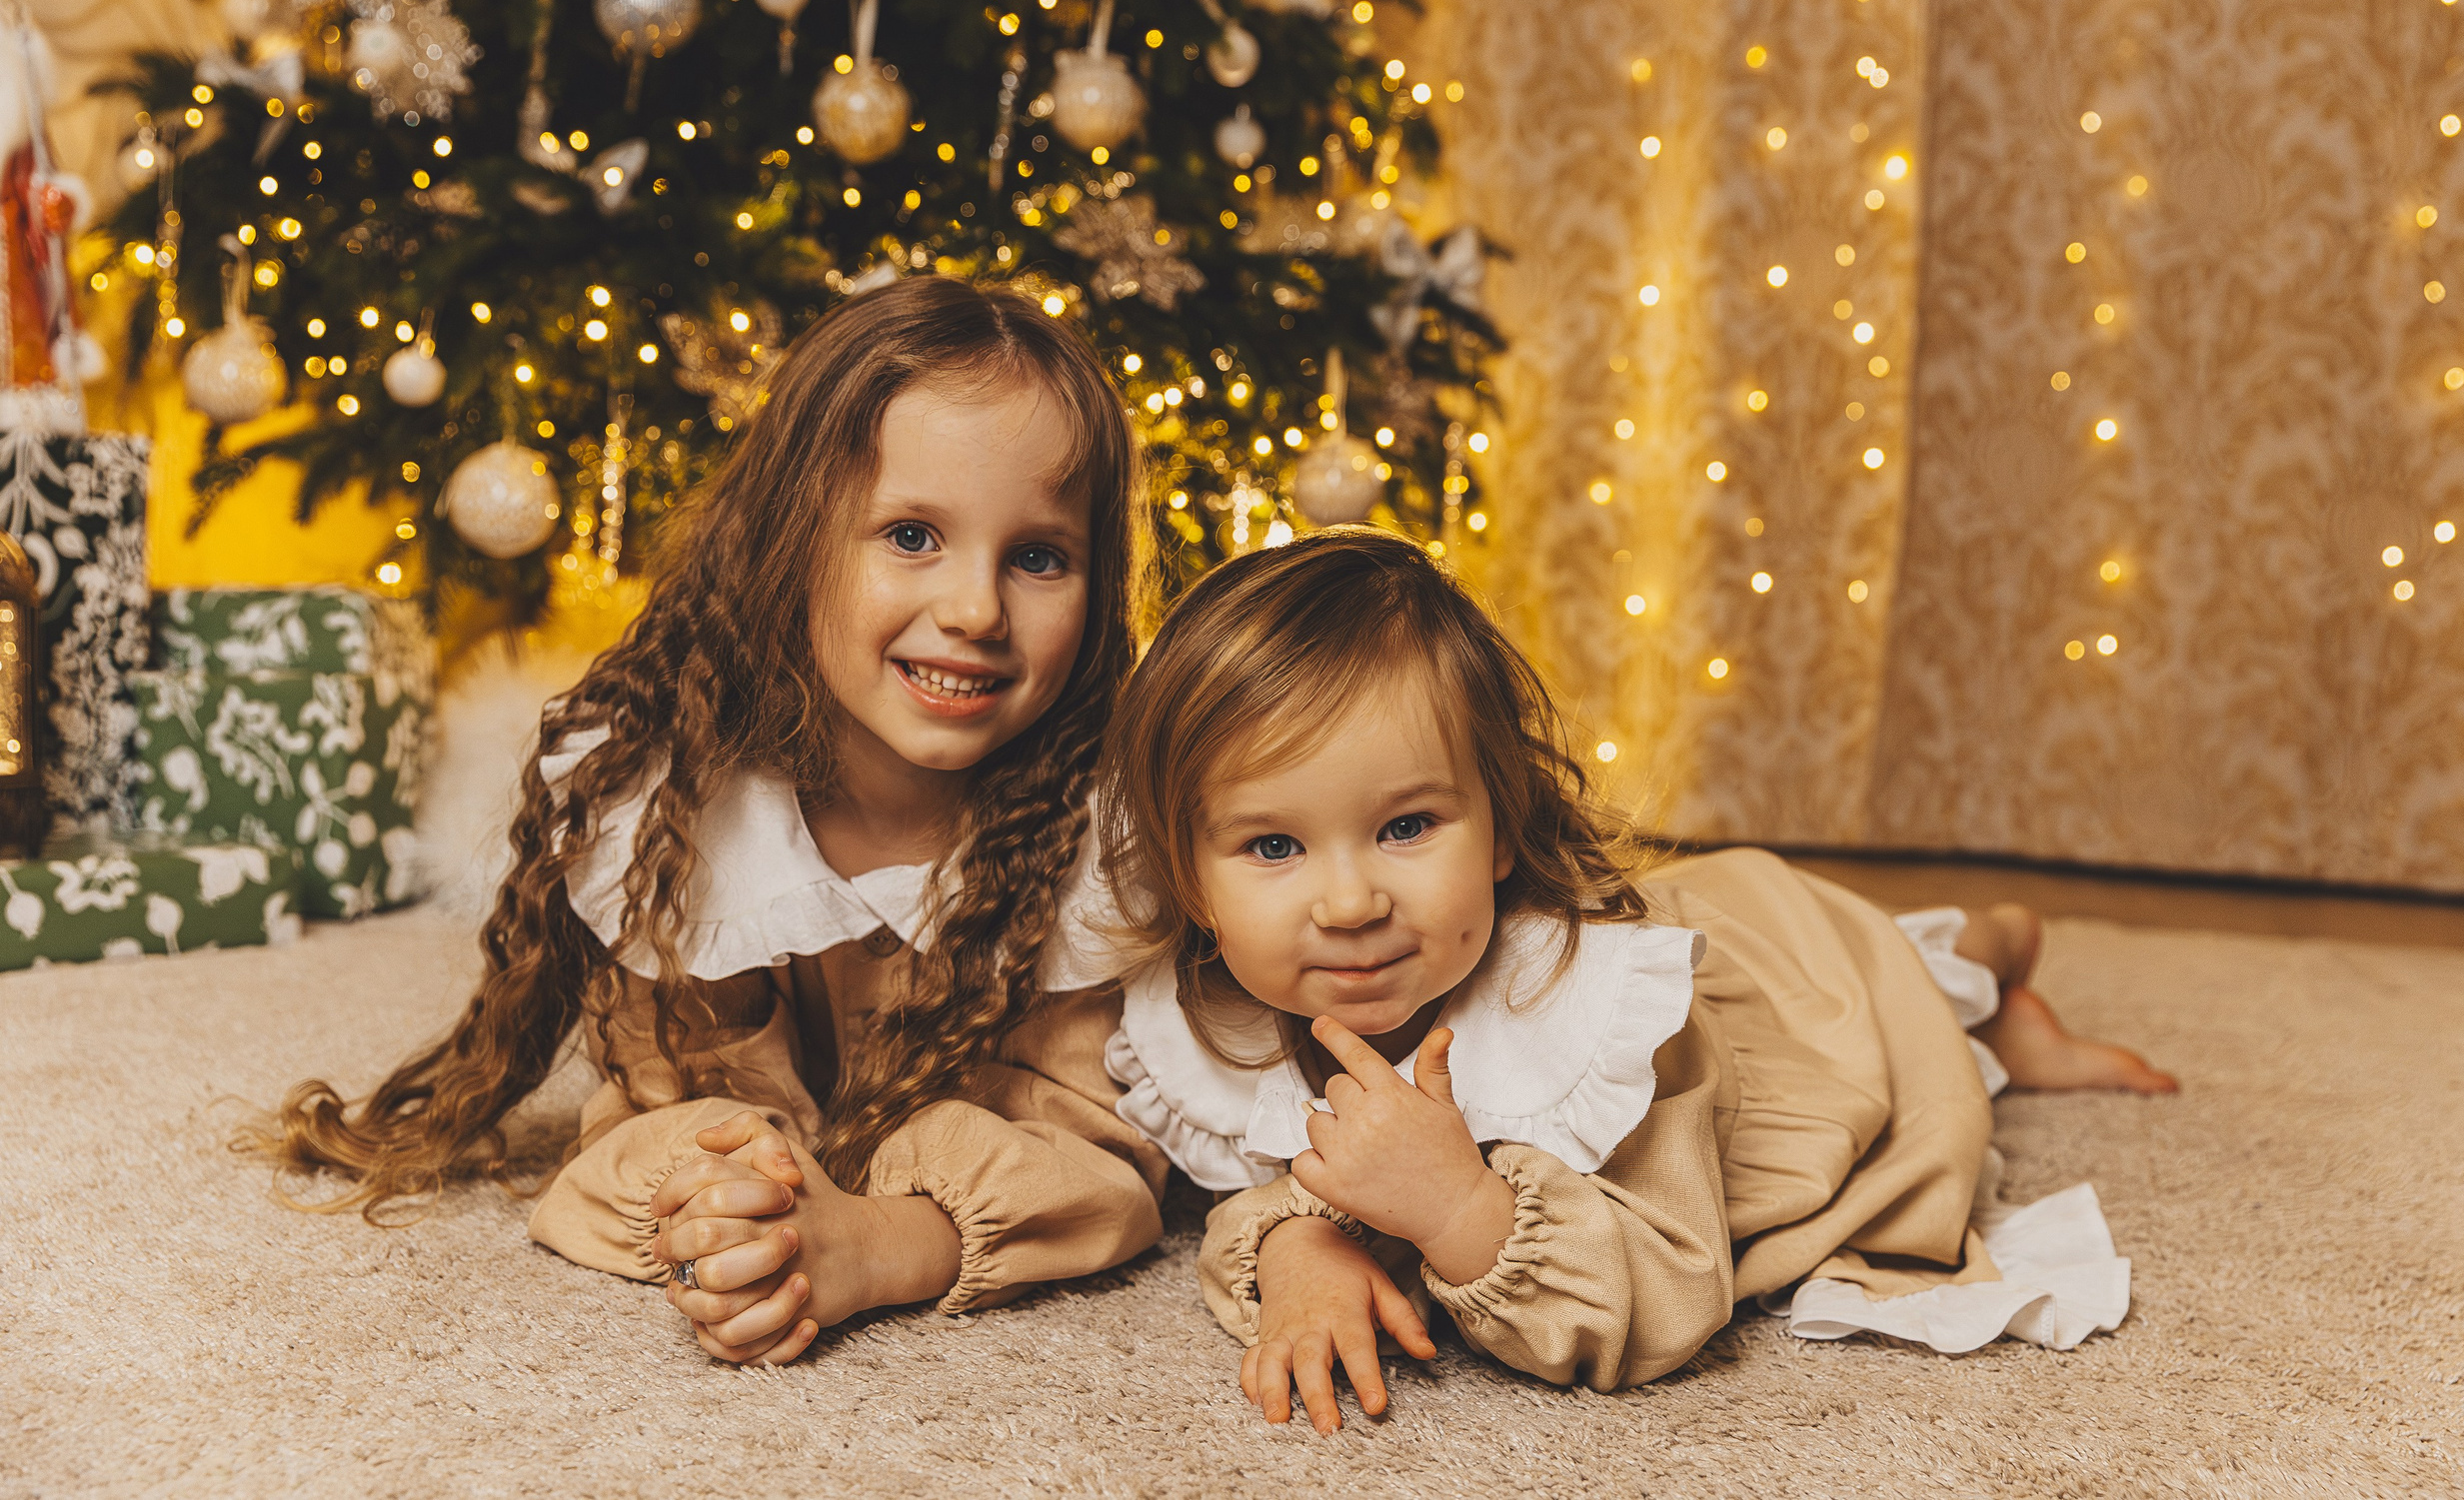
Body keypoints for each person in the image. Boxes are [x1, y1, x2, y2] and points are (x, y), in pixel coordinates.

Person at [243, 277, 1168, 1365]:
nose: (975, 609)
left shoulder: (1091, 844)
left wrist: (883, 1243)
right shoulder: (682, 817)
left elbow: (1102, 1166)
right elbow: (633, 1127)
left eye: (1039, 557)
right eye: (912, 534)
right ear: (792, 543)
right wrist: (730, 1204)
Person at [1090, 529, 2175, 1427]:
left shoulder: (1608, 1023)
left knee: (1913, 986)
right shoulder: (1223, 1013)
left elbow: (1671, 1291)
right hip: (1716, 924)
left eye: (1407, 826)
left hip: (1799, 985)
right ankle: (1997, 1012)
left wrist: (1463, 1207)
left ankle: (1997, 956)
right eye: (1273, 847)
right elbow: (1252, 1186)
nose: (1349, 902)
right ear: (1191, 880)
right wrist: (1300, 1248)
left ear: (1501, 827)